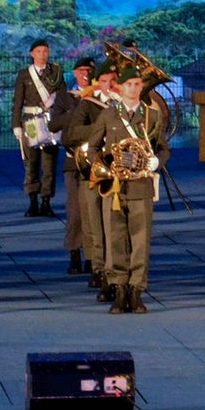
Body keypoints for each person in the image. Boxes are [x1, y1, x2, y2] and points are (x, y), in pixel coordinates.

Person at [96, 65, 172, 315]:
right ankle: (118, 288)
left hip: (141, 186)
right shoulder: (109, 115)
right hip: (115, 187)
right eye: (129, 84)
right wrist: (106, 168)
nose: (134, 88)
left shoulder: (152, 116)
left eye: (138, 84)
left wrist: (157, 162)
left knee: (140, 240)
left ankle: (136, 289)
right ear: (121, 87)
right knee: (115, 238)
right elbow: (92, 148)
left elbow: (163, 148)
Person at [54, 60, 120, 298]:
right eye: (105, 81)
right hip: (91, 169)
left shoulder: (125, 105)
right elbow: (69, 135)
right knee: (91, 220)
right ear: (98, 83)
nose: (110, 85)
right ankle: (96, 267)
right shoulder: (87, 104)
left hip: (119, 171)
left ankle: (117, 269)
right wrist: (101, 128)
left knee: (115, 222)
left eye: (114, 81)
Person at [46, 57, 97, 275]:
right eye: (81, 70)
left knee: (93, 211)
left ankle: (94, 256)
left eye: (89, 70)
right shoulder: (65, 97)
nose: (85, 74)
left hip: (95, 159)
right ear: (75, 72)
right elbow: (53, 123)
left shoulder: (99, 97)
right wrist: (76, 111)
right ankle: (75, 252)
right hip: (73, 159)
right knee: (75, 210)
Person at [12, 39, 65, 218]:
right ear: (32, 54)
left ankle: (46, 202)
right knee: (31, 162)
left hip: (50, 121)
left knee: (49, 164)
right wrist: (16, 125)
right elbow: (18, 101)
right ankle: (33, 201)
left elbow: (63, 96)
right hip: (31, 122)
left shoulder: (56, 72)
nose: (42, 54)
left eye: (45, 51)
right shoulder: (24, 75)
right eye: (38, 51)